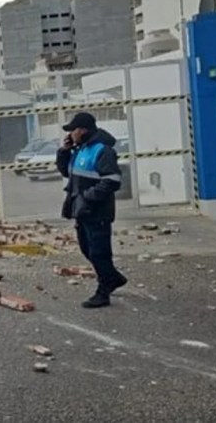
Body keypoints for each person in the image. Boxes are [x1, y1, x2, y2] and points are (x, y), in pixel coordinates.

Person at [56, 112, 128, 309]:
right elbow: (66, 172)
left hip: (97, 210)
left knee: (99, 252)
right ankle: (112, 277)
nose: (71, 134)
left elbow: (112, 181)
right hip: (83, 210)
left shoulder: (102, 150)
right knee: (87, 249)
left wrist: (88, 197)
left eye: (73, 130)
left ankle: (103, 292)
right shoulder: (81, 150)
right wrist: (64, 150)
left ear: (83, 130)